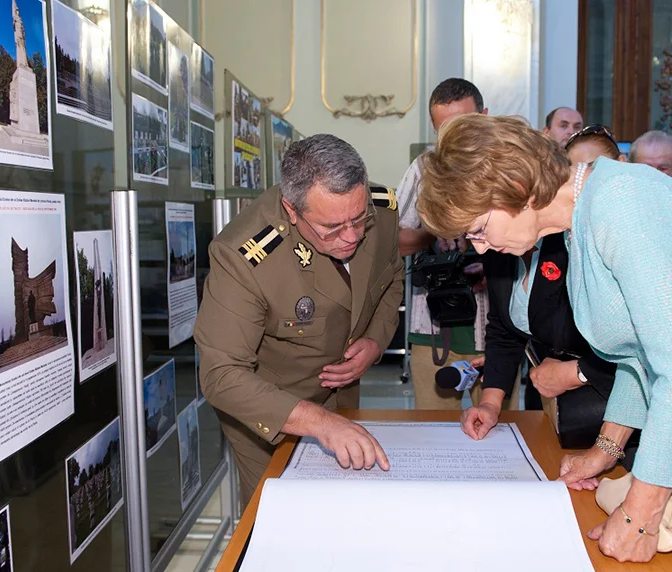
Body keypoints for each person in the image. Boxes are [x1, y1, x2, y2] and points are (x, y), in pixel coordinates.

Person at [416, 114, 672, 572]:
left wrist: (642, 511)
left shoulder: (621, 204)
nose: (482, 246)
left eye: (479, 228)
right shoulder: (581, 220)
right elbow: (640, 354)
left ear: (516, 184)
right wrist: (605, 450)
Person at [195, 134, 405, 505]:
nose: (352, 236)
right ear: (292, 211)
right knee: (279, 520)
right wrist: (320, 423)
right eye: (333, 228)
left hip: (344, 396)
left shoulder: (381, 211)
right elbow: (221, 375)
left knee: (346, 511)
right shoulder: (243, 257)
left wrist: (374, 342)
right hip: (271, 412)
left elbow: (392, 278)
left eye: (359, 220)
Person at [462, 125, 624, 459]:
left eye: (479, 230)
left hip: (612, 400)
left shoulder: (604, 224)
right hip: (570, 406)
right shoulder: (503, 246)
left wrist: (576, 372)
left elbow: (654, 356)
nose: (479, 249)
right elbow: (504, 329)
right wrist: (491, 404)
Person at [395, 77, 488, 409]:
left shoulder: (508, 166)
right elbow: (396, 240)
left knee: (500, 437)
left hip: (496, 329)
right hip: (432, 328)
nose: (456, 138)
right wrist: (435, 230)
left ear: (485, 116)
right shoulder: (424, 169)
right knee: (432, 434)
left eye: (465, 124)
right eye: (445, 129)